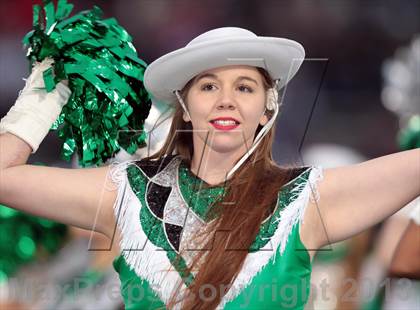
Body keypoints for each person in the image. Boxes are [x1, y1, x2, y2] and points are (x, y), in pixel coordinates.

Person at [0, 27, 419, 310]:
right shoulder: (123, 193)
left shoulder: (307, 200)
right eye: (208, 85)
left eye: (244, 86)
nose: (226, 99)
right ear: (185, 103)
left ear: (267, 106)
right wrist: (48, 90)